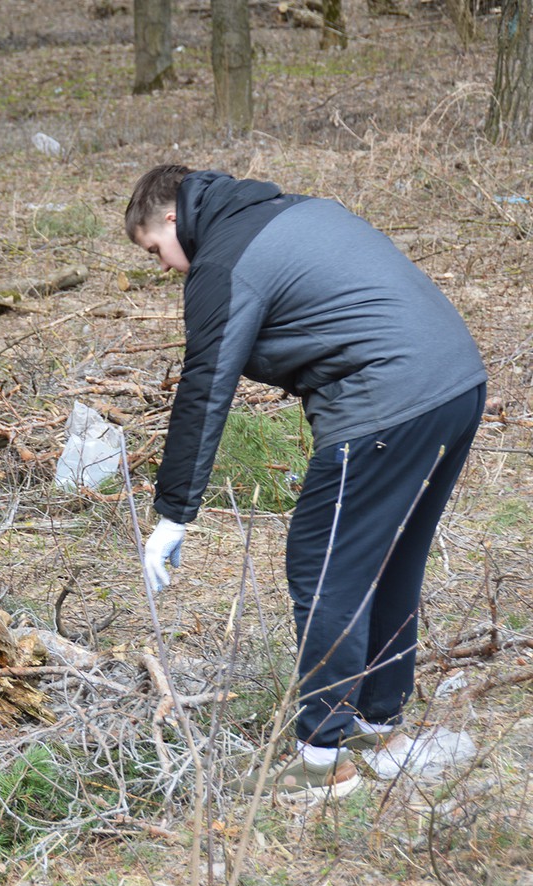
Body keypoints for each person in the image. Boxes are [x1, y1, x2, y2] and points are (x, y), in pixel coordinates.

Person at [125, 165, 487, 801]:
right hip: (455, 385)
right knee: (390, 561)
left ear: (173, 218)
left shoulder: (227, 259)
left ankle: (322, 761)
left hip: (389, 402)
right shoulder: (295, 212)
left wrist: (174, 514)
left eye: (155, 248)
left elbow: (206, 383)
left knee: (324, 568)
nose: (162, 266)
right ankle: (380, 732)